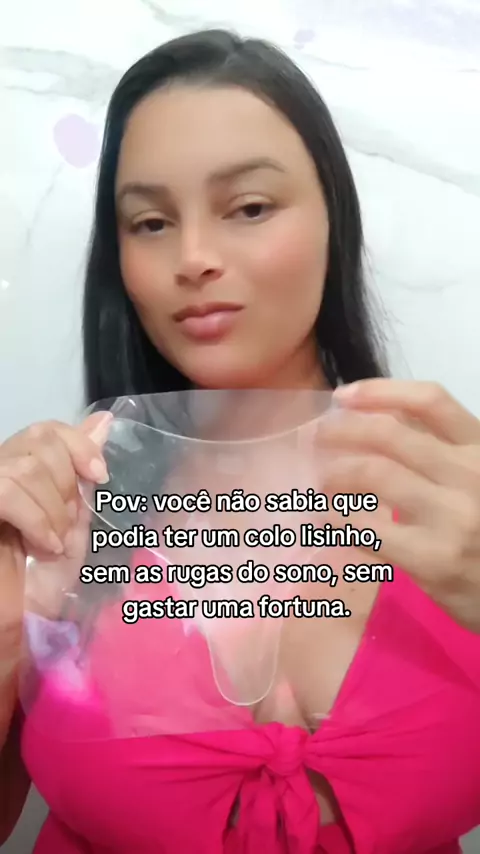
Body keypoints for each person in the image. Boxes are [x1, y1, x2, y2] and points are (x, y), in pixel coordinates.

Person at [1, 28, 480, 854]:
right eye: (151, 222)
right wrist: (10, 626)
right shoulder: (64, 511)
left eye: (250, 207)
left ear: (334, 218)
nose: (193, 258)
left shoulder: (456, 495)